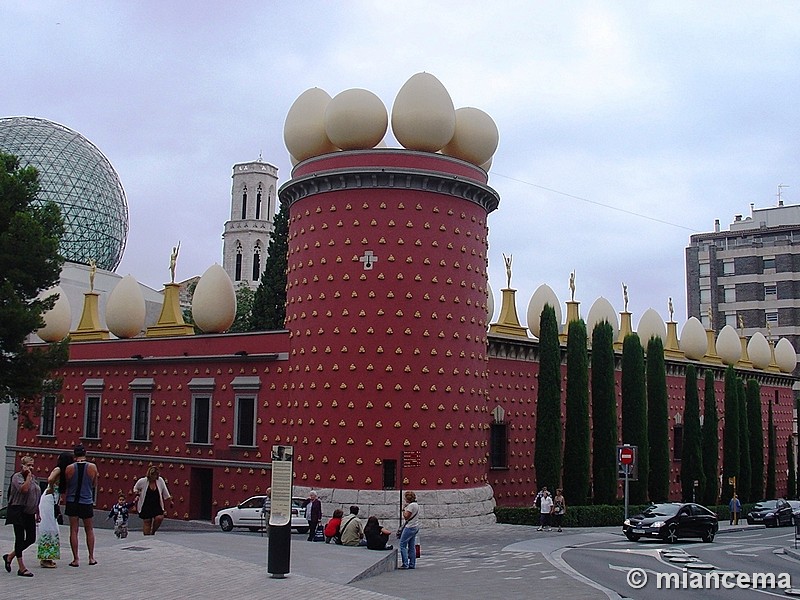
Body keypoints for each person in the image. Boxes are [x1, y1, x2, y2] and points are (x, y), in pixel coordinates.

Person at [3, 456, 41, 577]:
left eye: (32, 465)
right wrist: (28, 477)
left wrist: (37, 511)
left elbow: (35, 494)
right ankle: (21, 567)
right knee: (19, 538)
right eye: (28, 465)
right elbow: (24, 490)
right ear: (22, 465)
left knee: (31, 538)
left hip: (30, 512)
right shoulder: (17, 477)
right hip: (18, 510)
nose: (31, 468)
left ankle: (10, 556)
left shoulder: (34, 478)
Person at [64, 444, 99, 567]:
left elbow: (67, 484)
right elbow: (94, 484)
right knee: (89, 529)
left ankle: (76, 559)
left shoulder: (69, 468)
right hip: (86, 501)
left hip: (72, 501)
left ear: (74, 454)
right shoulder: (92, 467)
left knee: (74, 530)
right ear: (85, 454)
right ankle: (91, 557)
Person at [37, 451, 73, 568]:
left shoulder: (63, 472)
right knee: (49, 527)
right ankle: (45, 557)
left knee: (53, 528)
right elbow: (50, 479)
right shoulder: (58, 469)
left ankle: (48, 556)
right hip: (48, 500)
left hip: (52, 500)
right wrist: (51, 488)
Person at [133, 466, 172, 535]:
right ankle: (146, 538)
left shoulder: (160, 480)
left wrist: (170, 500)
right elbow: (135, 488)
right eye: (153, 475)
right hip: (146, 504)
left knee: (159, 518)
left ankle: (153, 531)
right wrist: (137, 493)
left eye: (156, 475)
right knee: (147, 521)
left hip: (156, 504)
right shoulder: (142, 481)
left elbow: (165, 491)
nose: (154, 476)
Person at [399, 491, 420, 569]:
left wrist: (403, 509)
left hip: (410, 527)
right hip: (415, 526)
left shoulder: (410, 506)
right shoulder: (416, 505)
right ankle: (412, 563)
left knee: (402, 545)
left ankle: (405, 563)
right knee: (411, 545)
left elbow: (406, 516)